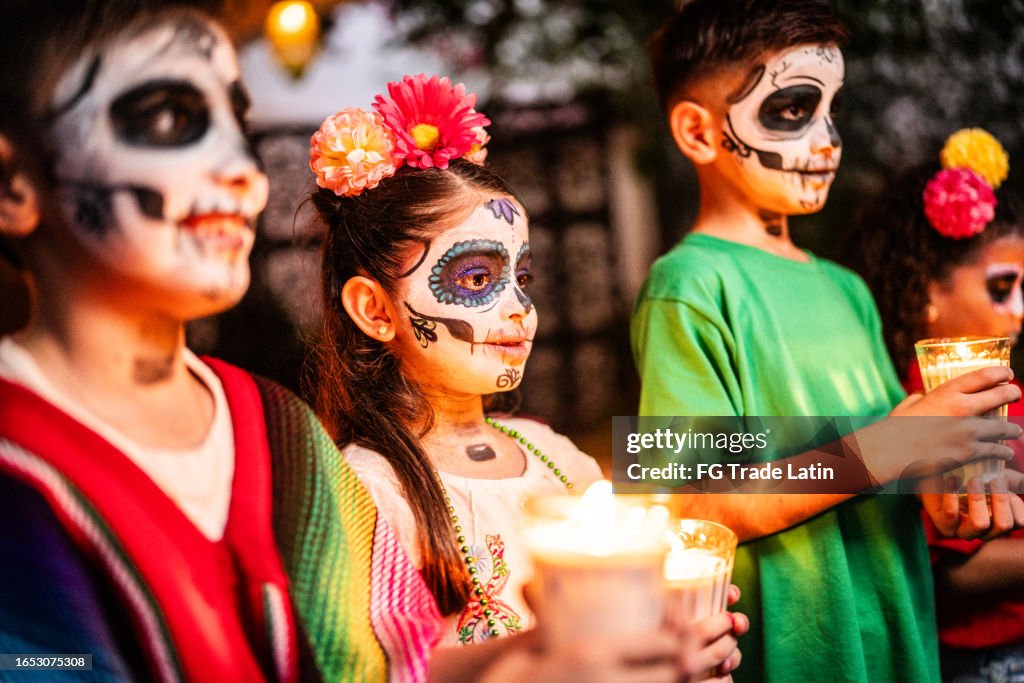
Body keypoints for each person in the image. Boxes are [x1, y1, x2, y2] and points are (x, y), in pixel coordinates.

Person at [0, 2, 442, 680]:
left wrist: (540, 658)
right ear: (13, 185)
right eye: (173, 119)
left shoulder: (281, 429)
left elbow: (396, 659)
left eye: (238, 124)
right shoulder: (16, 462)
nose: (244, 169)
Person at [307, 74, 748, 680]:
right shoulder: (367, 489)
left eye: (523, 277)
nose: (520, 307)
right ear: (376, 310)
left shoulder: (559, 456)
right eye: (477, 279)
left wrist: (675, 634)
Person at [632, 1, 1024, 681]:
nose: (828, 140)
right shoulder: (689, 284)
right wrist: (892, 445)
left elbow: (884, 467)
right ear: (697, 131)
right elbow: (687, 499)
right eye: (792, 110)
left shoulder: (847, 289)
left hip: (904, 640)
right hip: (803, 655)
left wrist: (951, 491)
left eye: (831, 110)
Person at [855, 128, 1024, 681]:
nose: (1018, 310)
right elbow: (939, 573)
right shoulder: (922, 407)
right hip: (984, 661)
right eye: (1000, 288)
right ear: (928, 291)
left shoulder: (1001, 389)